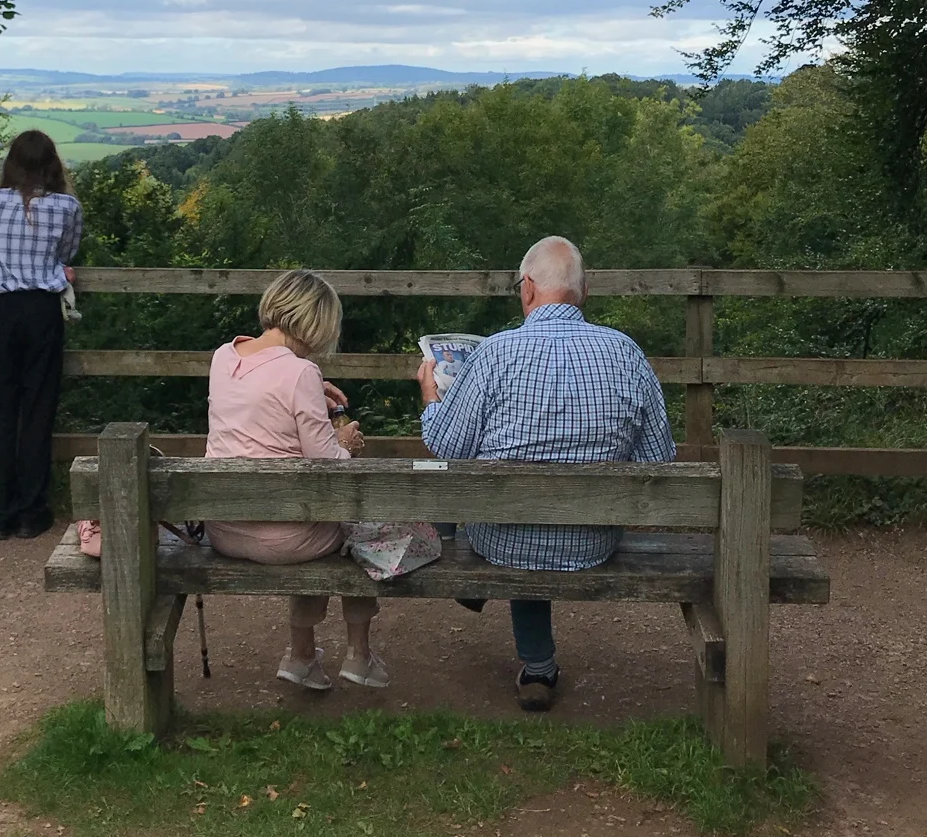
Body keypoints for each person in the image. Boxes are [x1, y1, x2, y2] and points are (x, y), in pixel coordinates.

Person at [417, 235, 675, 713]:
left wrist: (432, 396)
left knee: (494, 508)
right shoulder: (626, 353)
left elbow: (446, 445)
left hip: (502, 537)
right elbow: (657, 462)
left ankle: (506, 626)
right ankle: (537, 670)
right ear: (584, 290)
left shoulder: (494, 354)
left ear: (528, 288)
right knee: (528, 513)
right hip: (594, 537)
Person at [204, 268, 386, 691]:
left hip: (223, 529)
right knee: (357, 528)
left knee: (311, 518)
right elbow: (329, 466)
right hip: (285, 538)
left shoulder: (223, 356)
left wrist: (309, 393)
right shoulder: (300, 374)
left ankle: (302, 655)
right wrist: (347, 442)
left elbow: (261, 403)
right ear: (318, 323)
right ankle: (358, 656)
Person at [0, 130, 83, 542]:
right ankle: (31, 512)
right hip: (41, 310)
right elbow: (68, 253)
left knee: (2, 410)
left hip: (0, 312)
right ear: (52, 163)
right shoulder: (66, 207)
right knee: (38, 410)